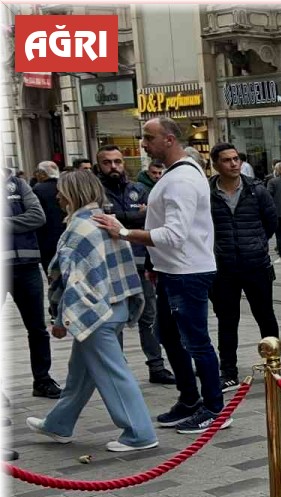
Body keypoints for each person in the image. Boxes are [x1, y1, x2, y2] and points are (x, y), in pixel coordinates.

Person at [93, 116, 227, 435]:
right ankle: (191, 400)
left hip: (187, 271)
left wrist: (124, 232)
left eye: (148, 137)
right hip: (173, 270)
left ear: (168, 139)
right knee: (169, 336)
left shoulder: (181, 179)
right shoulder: (176, 174)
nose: (143, 143)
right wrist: (155, 264)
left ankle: (214, 408)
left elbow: (174, 234)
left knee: (196, 341)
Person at [26, 170, 157, 452]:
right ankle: (58, 424)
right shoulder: (106, 221)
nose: (58, 196)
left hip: (95, 313)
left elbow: (73, 281)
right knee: (80, 374)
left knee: (114, 374)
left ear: (73, 194)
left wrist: (61, 319)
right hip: (115, 306)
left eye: (62, 191)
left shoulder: (78, 229)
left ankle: (139, 433)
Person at [95, 145, 175, 386]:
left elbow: (151, 220)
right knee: (115, 318)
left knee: (148, 316)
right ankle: (118, 369)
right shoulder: (96, 192)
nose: (114, 167)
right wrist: (134, 217)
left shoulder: (137, 189)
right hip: (110, 267)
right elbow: (98, 221)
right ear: (100, 165)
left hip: (140, 262)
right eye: (108, 163)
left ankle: (156, 366)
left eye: (118, 162)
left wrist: (119, 221)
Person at [207, 143, 281, 392]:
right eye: (227, 160)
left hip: (255, 265)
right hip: (223, 267)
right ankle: (228, 371)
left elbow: (271, 222)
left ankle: (273, 364)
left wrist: (257, 244)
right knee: (227, 320)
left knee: (265, 316)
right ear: (216, 164)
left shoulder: (256, 190)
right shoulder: (207, 192)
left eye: (236, 158)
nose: (233, 164)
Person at [5, 167, 61, 398]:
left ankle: (42, 380)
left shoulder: (17, 184)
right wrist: (18, 221)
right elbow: (28, 218)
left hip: (27, 265)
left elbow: (37, 216)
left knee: (37, 328)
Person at [32, 161, 66, 275]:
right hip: (66, 234)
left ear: (42, 173)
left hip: (47, 239)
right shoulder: (65, 186)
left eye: (37, 172)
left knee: (52, 275)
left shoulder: (38, 189)